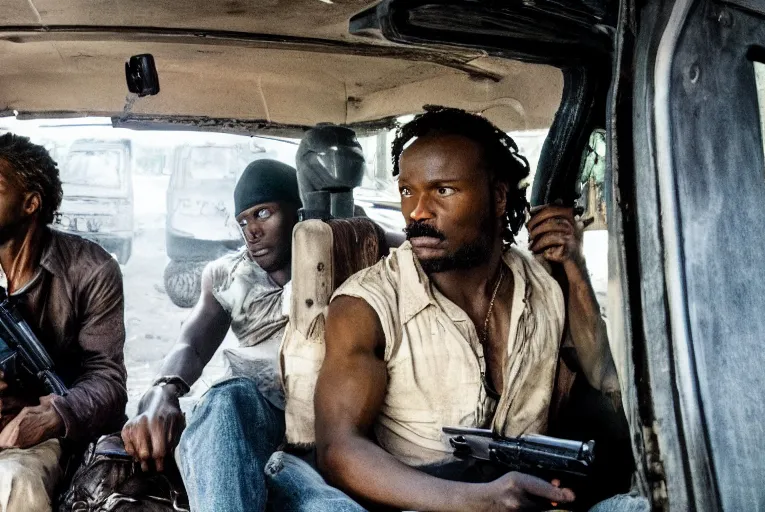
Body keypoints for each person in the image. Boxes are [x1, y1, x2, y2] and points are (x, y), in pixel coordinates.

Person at [312, 107, 646, 511]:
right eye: (407, 191)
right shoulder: (366, 305)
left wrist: (575, 270)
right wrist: (474, 501)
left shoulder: (542, 285)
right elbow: (338, 449)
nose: (417, 211)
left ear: (499, 196)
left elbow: (605, 382)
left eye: (443, 190)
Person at [121, 158, 360, 512]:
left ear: (298, 211)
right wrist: (163, 389)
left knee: (322, 503)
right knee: (226, 399)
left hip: (322, 424)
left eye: (263, 213)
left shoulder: (346, 254)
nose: (252, 231)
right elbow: (192, 342)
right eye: (243, 221)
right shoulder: (228, 276)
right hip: (250, 416)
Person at [0, 132, 127, 512]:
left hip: (31, 437)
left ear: (30, 203)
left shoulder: (91, 269)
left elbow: (107, 380)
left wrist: (56, 414)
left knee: (14, 484)